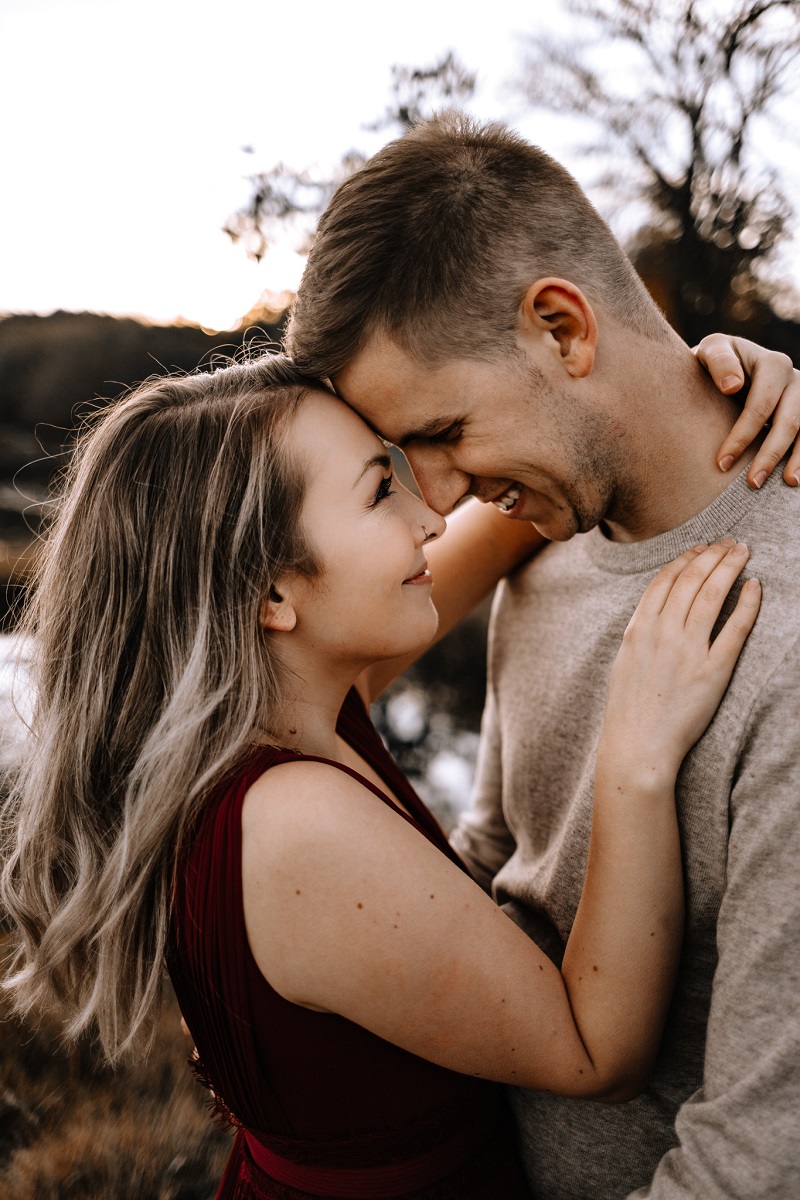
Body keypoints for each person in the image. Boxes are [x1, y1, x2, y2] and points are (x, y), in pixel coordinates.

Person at [0, 354, 768, 1200]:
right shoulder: (297, 825)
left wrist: (696, 388)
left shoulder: (289, 714)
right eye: (379, 491)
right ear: (272, 594)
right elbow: (596, 1052)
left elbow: (520, 511)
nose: (432, 517)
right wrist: (635, 755)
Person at [284, 113, 800, 1199]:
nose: (432, 499)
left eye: (441, 432)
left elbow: (758, 1161)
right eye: (395, 459)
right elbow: (502, 865)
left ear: (561, 328)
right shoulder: (544, 541)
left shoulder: (785, 643)